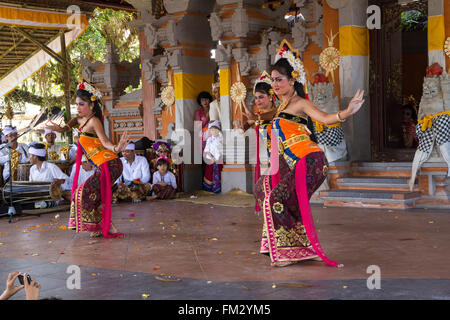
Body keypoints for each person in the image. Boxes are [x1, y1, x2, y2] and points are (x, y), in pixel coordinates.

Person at [246, 40, 364, 267]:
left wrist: (346, 112)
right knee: (264, 188)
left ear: (292, 80)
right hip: (294, 163)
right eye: (272, 80)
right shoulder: (280, 108)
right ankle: (289, 245)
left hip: (310, 161)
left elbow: (324, 118)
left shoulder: (300, 103)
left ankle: (289, 252)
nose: (275, 83)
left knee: (277, 198)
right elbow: (263, 123)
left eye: (279, 79)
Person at [45, 79, 129, 238]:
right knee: (89, 194)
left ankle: (107, 225)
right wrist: (57, 128)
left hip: (110, 164)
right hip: (102, 166)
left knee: (82, 193)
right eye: (76, 104)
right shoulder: (78, 120)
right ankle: (100, 226)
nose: (77, 108)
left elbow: (105, 142)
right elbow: (65, 128)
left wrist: (117, 148)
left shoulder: (94, 121)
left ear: (91, 105)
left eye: (81, 104)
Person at [28, 143, 69, 208]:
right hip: (37, 197)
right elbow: (31, 185)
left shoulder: (51, 167)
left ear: (35, 156)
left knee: (41, 205)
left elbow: (67, 180)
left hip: (51, 198)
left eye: (30, 155)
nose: (29, 158)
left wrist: (59, 181)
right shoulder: (32, 169)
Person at [203, 120, 223, 193]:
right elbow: (207, 150)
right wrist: (211, 158)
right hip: (210, 160)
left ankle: (217, 189)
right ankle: (208, 190)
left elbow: (221, 150)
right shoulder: (209, 139)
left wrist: (216, 159)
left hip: (218, 160)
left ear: (218, 130)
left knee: (219, 174)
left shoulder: (221, 139)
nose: (213, 131)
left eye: (215, 129)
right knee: (209, 174)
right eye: (211, 130)